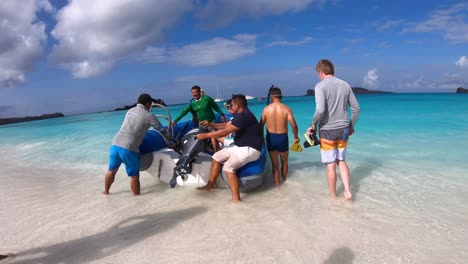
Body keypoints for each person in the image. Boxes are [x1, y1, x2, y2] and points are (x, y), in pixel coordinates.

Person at [196, 94, 263, 202]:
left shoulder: (244, 116)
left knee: (228, 167)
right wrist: (211, 124)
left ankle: (236, 199)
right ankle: (210, 185)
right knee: (216, 156)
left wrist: (205, 136)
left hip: (250, 149)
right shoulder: (239, 115)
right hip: (239, 146)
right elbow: (226, 125)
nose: (231, 106)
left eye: (232, 104)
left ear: (238, 105)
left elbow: (226, 131)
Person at [309, 59, 360, 201]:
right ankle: (348, 192)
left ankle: (332, 198)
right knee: (341, 160)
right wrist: (351, 126)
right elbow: (356, 109)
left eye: (318, 74)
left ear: (321, 72)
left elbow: (320, 110)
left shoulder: (320, 86)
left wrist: (313, 124)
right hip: (344, 129)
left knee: (331, 164)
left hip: (327, 131)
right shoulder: (345, 85)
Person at [103, 93, 165, 196]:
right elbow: (161, 130)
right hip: (128, 148)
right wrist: (171, 139)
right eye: (150, 104)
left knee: (111, 171)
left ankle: (106, 192)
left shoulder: (130, 111)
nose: (151, 106)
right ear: (147, 103)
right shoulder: (149, 115)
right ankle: (137, 199)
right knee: (134, 177)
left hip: (115, 144)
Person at [260, 87, 299, 187]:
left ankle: (278, 185)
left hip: (271, 138)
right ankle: (285, 181)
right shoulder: (286, 109)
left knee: (275, 164)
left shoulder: (266, 109)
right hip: (282, 138)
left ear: (271, 97)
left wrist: (261, 139)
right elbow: (294, 125)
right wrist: (296, 137)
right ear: (281, 97)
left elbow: (261, 125)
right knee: (284, 162)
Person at [172, 85, 226, 150]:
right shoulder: (192, 103)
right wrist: (175, 120)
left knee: (213, 135)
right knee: (201, 138)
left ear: (199, 92)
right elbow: (184, 112)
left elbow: (216, 107)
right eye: (192, 93)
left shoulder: (207, 98)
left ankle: (216, 151)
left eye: (195, 92)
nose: (194, 94)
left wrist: (222, 114)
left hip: (211, 121)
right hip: (201, 123)